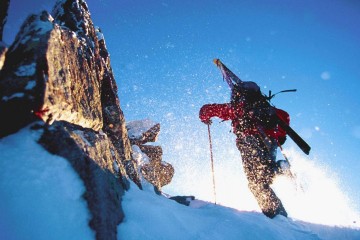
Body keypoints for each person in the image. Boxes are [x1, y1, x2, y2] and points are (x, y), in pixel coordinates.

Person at [199, 79, 290, 219]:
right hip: (268, 142)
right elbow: (284, 117)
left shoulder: (237, 108)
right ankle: (278, 169)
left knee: (256, 182)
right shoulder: (265, 108)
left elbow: (208, 109)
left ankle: (276, 215)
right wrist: (280, 136)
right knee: (264, 177)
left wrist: (204, 115)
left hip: (249, 142)